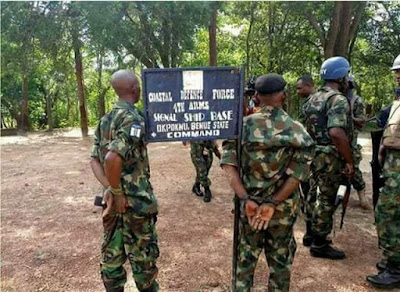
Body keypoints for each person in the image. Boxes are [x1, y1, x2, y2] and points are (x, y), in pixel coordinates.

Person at [221, 73, 314, 291]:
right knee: (280, 262)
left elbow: (229, 166)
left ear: (256, 96)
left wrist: (245, 198)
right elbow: (298, 175)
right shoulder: (297, 130)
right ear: (283, 95)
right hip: (282, 209)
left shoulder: (239, 127)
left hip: (249, 208)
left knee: (245, 258)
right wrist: (273, 203)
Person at [90, 70, 159, 292]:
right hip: (134, 204)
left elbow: (94, 160)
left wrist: (109, 188)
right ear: (134, 89)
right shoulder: (134, 119)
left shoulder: (105, 120)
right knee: (144, 263)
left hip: (112, 204)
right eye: (138, 86)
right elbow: (112, 157)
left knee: (112, 260)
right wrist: (118, 192)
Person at [303, 56, 354, 260]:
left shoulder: (312, 98)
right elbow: (337, 133)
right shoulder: (338, 100)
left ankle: (310, 233)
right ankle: (319, 243)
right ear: (341, 76)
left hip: (313, 154)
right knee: (326, 197)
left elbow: (306, 128)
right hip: (330, 157)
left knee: (312, 194)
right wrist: (349, 160)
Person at [366, 54, 400, 289]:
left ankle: (396, 268)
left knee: (388, 215)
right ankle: (393, 260)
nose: (397, 76)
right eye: (396, 72)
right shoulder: (397, 102)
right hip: (392, 169)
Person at [296, 75, 317, 246]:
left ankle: (312, 230)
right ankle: (311, 228)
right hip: (313, 154)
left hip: (313, 154)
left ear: (310, 86)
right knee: (308, 190)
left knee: (310, 190)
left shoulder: (313, 103)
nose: (297, 92)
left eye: (300, 88)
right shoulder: (308, 103)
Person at [346, 76, 371, 209]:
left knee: (354, 170)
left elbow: (361, 122)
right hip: (335, 140)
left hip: (351, 141)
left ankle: (362, 196)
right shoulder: (333, 98)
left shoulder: (356, 101)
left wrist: (348, 117)